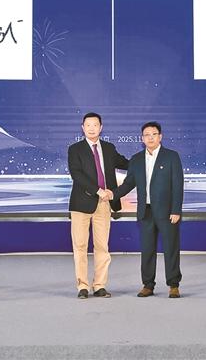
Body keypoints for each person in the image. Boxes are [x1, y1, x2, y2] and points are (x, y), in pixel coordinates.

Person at [113, 121, 183, 298]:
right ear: (142, 138)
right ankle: (148, 285)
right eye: (146, 135)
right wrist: (112, 194)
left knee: (171, 248)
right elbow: (128, 184)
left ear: (160, 136)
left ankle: (173, 285)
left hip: (167, 212)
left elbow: (177, 185)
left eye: (154, 134)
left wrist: (176, 210)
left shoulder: (171, 157)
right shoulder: (136, 159)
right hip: (146, 212)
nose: (150, 138)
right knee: (147, 250)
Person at [67, 112, 129, 299]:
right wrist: (98, 190)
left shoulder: (109, 148)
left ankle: (100, 285)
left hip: (104, 205)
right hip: (81, 204)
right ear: (83, 128)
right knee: (80, 246)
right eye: (88, 125)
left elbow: (125, 163)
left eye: (95, 125)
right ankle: (82, 286)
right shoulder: (75, 149)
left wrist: (146, 160)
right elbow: (77, 175)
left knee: (102, 246)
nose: (92, 128)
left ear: (101, 128)